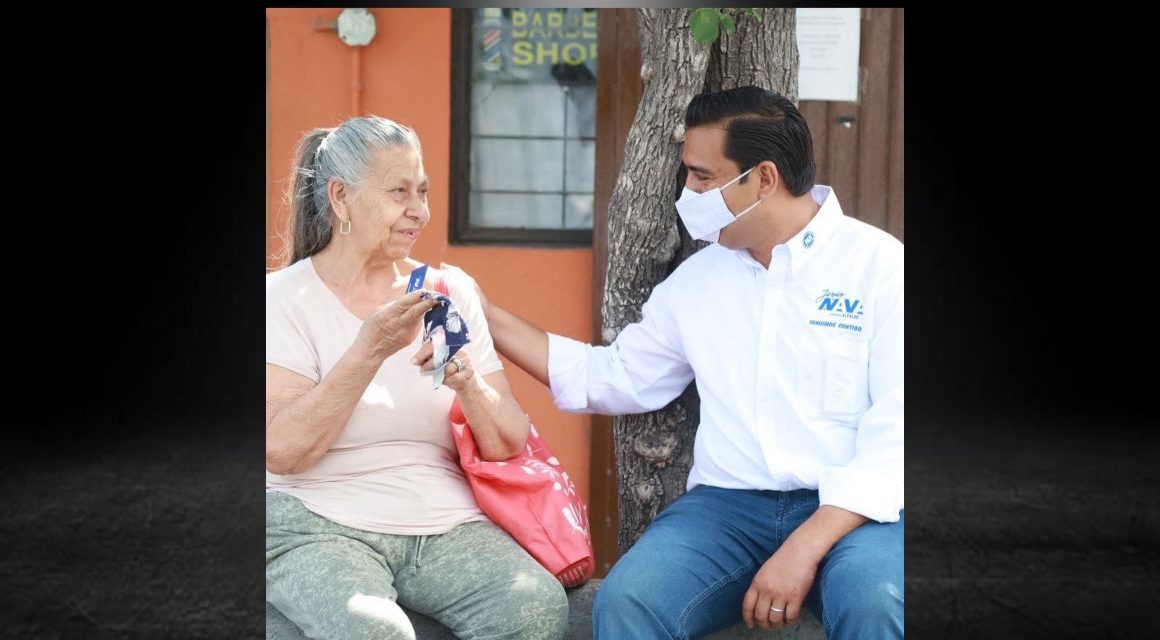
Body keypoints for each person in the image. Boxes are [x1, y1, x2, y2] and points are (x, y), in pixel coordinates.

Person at [475, 86, 903, 639]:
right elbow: (613, 377)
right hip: (726, 513)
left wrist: (804, 547)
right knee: (631, 600)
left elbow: (899, 436)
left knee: (880, 604)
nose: (689, 192)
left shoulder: (880, 269)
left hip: (853, 515)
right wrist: (483, 313)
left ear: (764, 179)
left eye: (703, 177)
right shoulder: (699, 281)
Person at [265, 115, 568, 640]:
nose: (419, 211)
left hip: (442, 523)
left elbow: (508, 442)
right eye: (398, 192)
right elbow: (284, 451)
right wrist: (368, 351)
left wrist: (467, 383)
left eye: (423, 192)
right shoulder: (282, 299)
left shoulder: (448, 291)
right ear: (340, 198)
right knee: (372, 632)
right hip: (313, 521)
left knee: (534, 608)